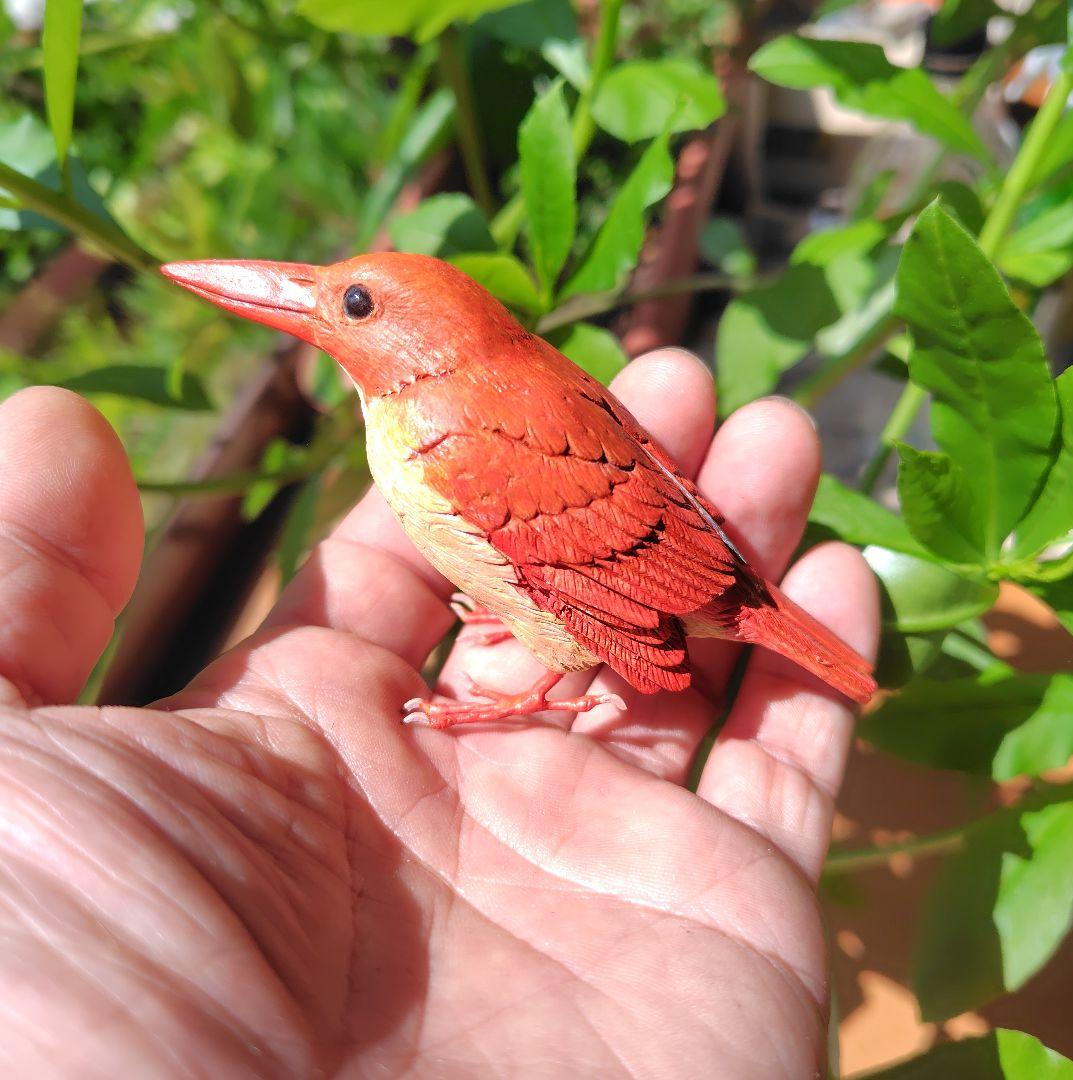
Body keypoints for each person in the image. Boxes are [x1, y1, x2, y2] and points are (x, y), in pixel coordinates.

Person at [0, 348, 878, 1077]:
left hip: (663, 582)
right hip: (655, 563)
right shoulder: (426, 423)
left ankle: (529, 697)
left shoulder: (460, 439)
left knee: (554, 623)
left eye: (357, 309)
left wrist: (536, 682)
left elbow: (592, 590)